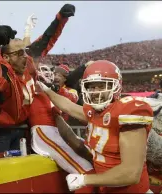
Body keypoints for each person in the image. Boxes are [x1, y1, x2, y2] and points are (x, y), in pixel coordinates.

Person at [37, 60, 153, 193]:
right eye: (91, 87)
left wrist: (85, 180)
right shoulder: (94, 112)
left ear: (115, 86)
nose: (95, 92)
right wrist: (45, 90)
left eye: (101, 86)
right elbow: (68, 106)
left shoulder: (127, 112)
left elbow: (131, 173)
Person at [0, 4, 76, 153]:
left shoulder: (27, 63)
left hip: (22, 128)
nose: (25, 57)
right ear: (6, 57)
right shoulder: (3, 70)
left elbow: (47, 39)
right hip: (1, 131)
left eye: (24, 52)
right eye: (19, 53)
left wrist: (60, 19)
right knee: (1, 169)